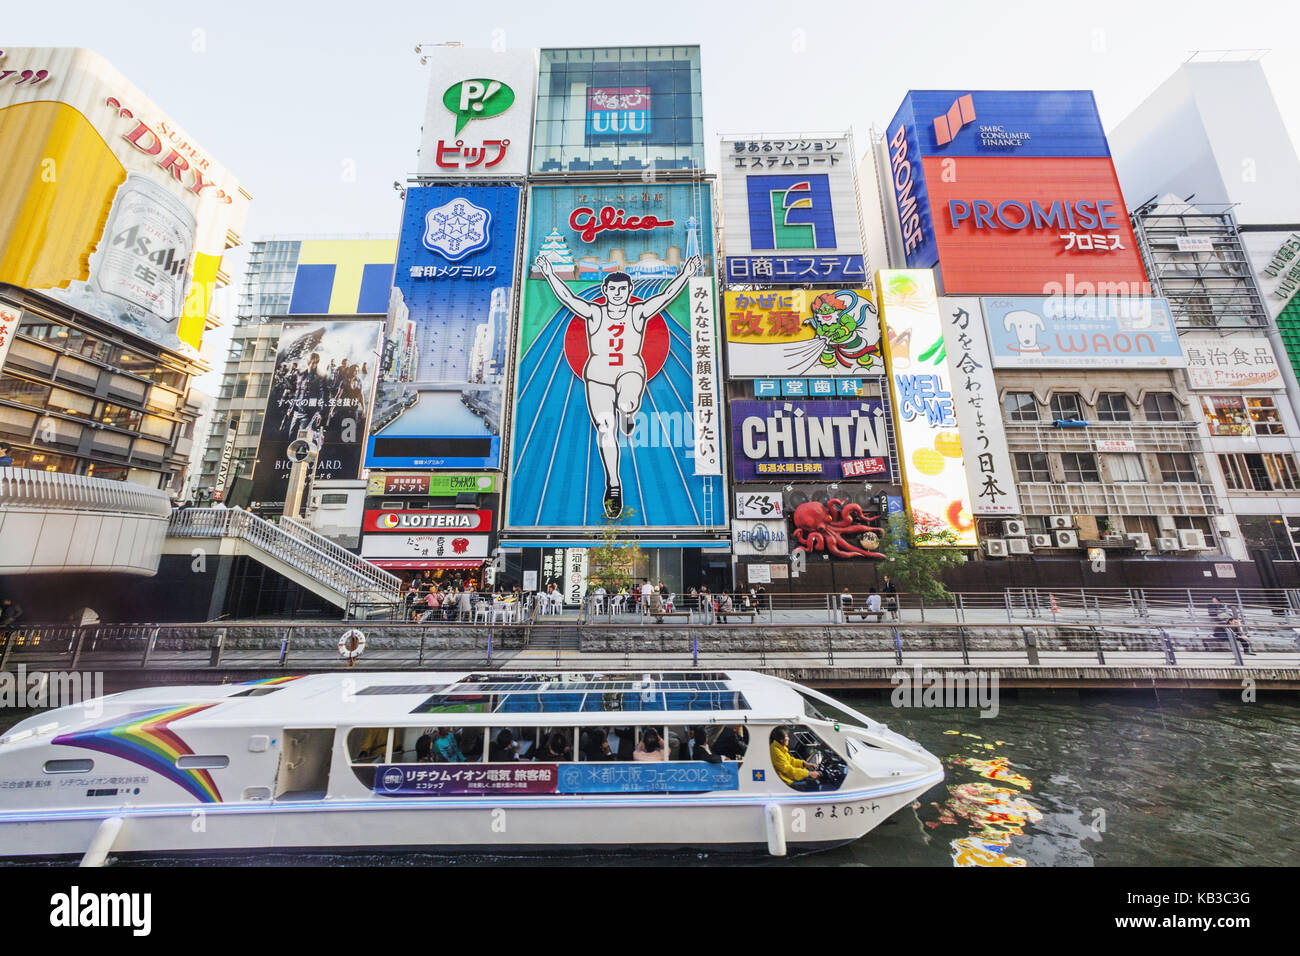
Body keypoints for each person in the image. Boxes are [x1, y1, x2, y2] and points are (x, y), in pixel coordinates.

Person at [535, 252, 703, 517]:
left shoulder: (638, 312)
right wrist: (549, 273)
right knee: (605, 427)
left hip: (630, 370)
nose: (617, 293)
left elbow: (666, 296)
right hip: (599, 374)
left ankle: (627, 412)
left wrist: (685, 274)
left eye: (622, 289)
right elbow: (567, 297)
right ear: (605, 290)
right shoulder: (594, 312)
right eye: (612, 288)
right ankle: (613, 483)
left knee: (626, 402)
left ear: (629, 290)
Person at [770, 727, 820, 791]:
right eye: (787, 736)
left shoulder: (779, 747)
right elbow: (788, 770)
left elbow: (791, 761)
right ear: (781, 740)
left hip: (787, 778)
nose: (788, 738)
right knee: (813, 784)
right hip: (785, 781)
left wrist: (805, 764)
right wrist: (808, 773)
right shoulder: (776, 752)